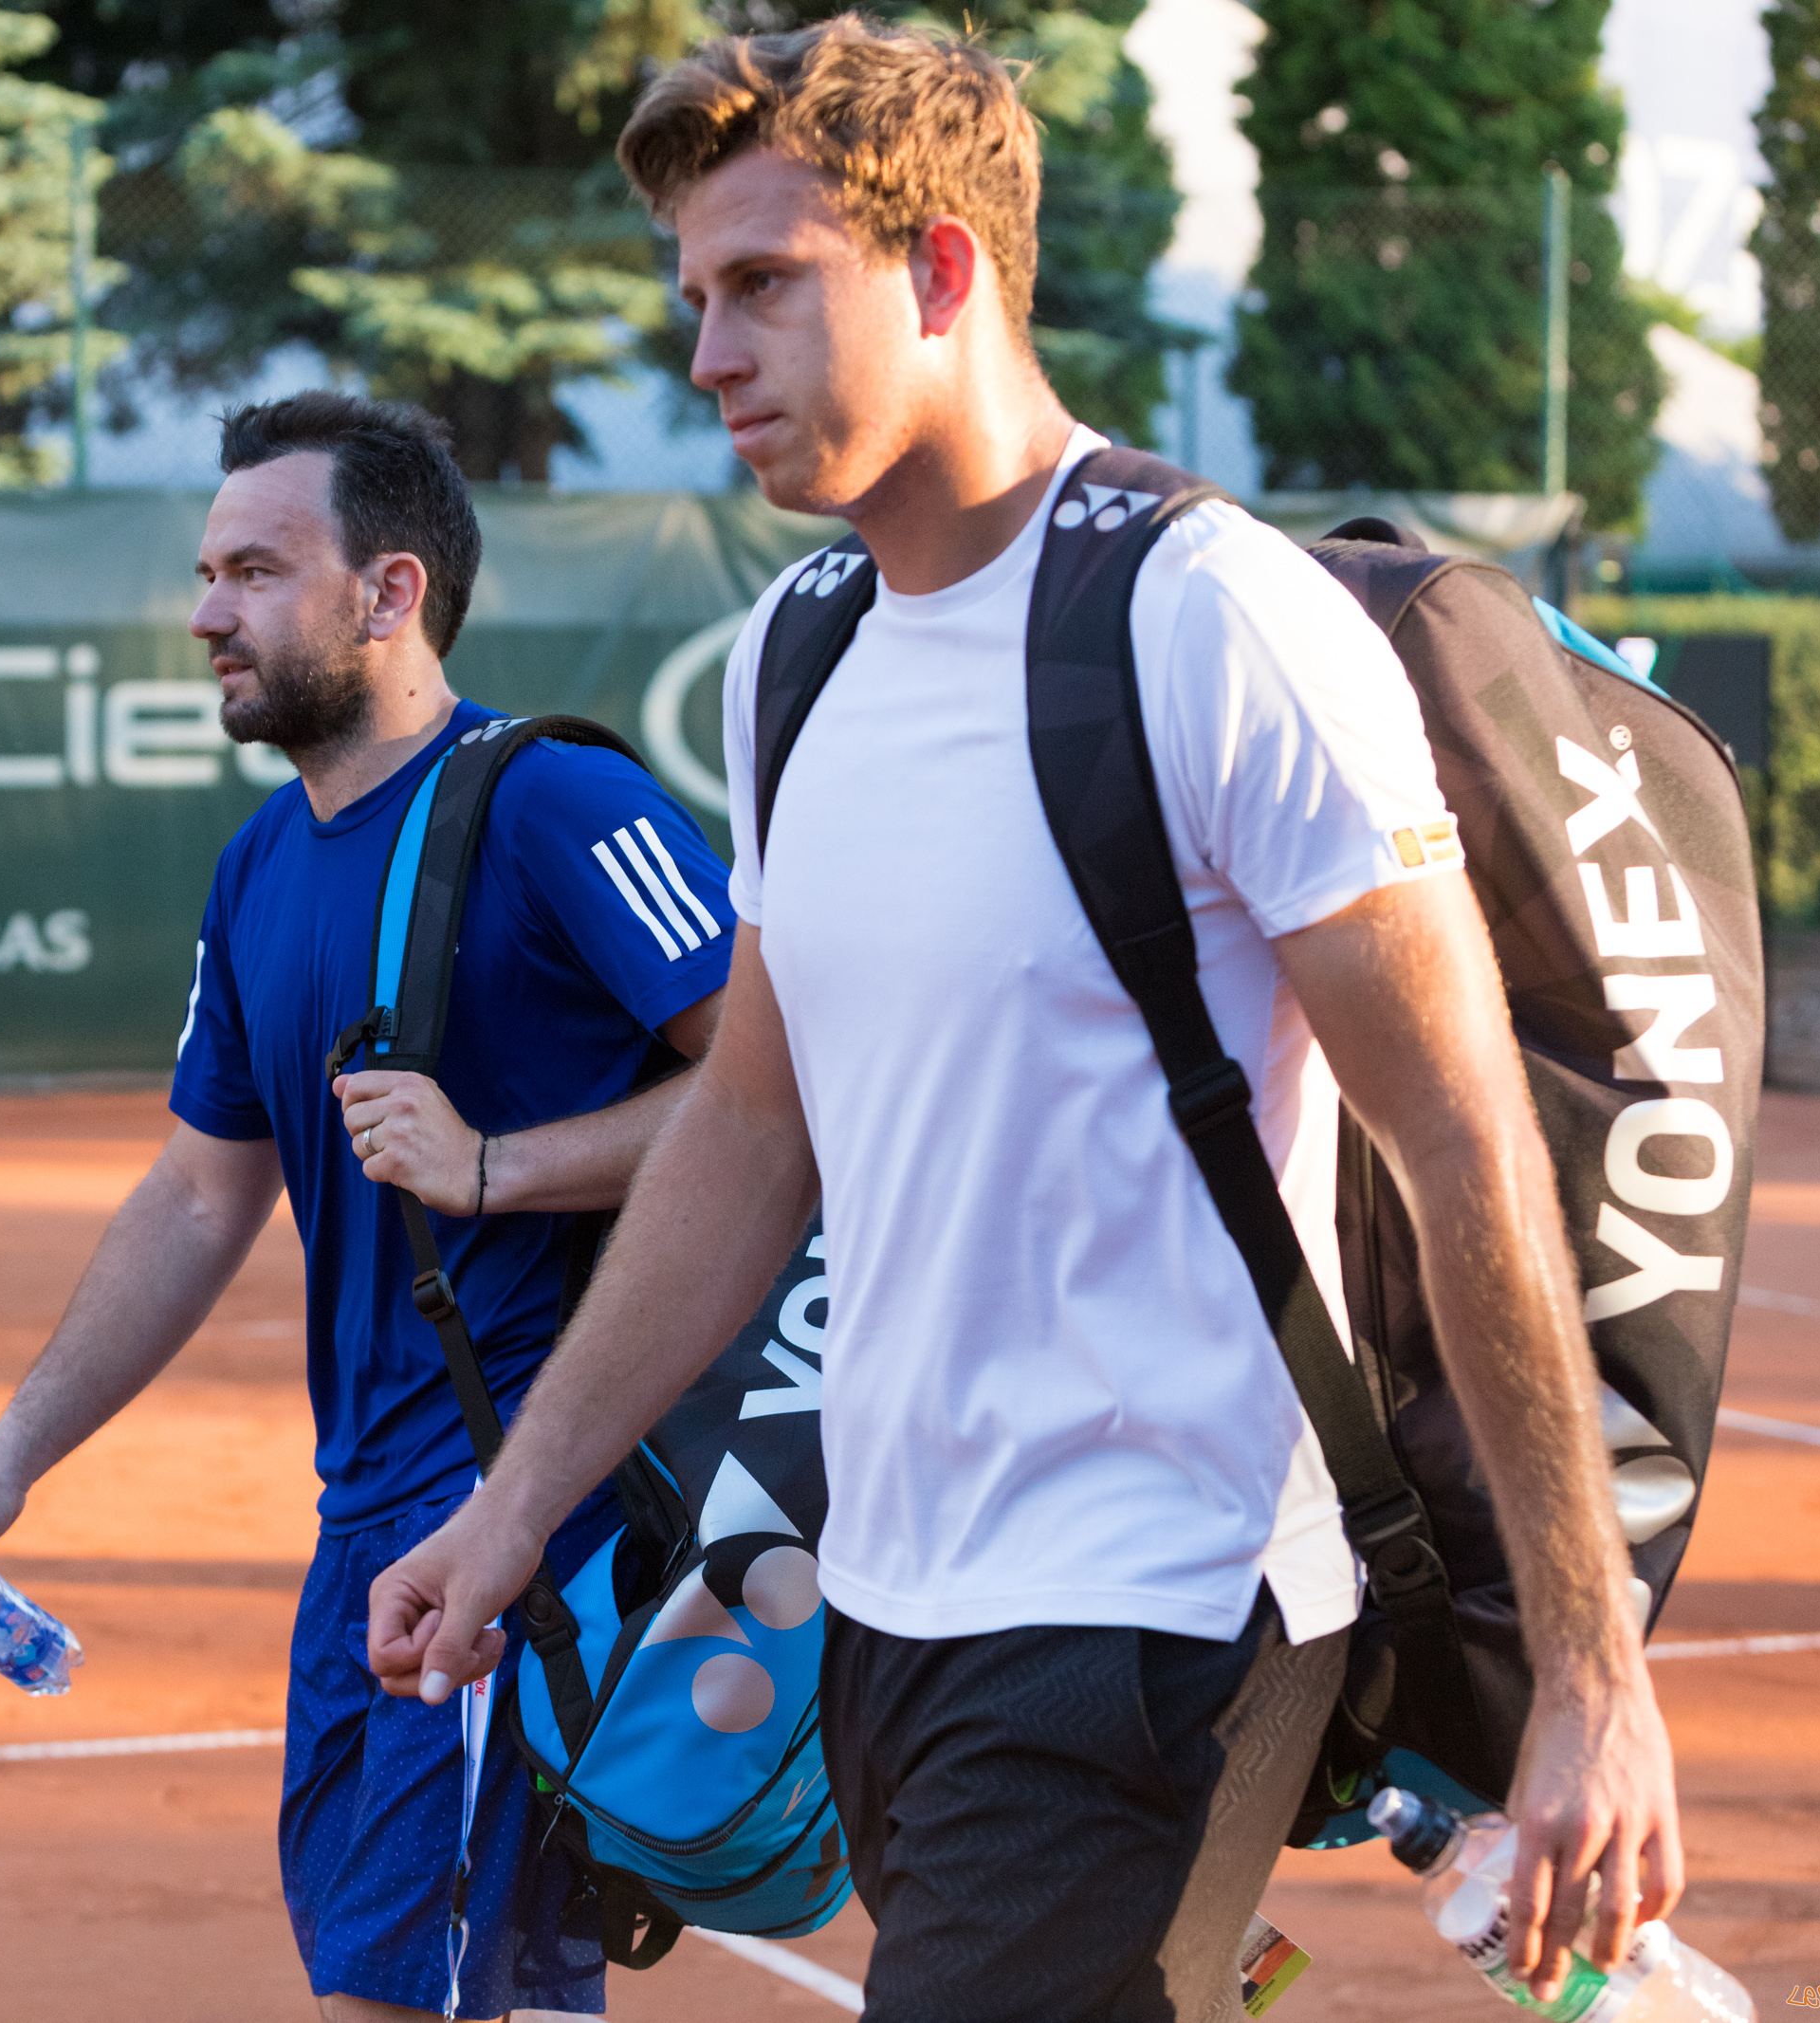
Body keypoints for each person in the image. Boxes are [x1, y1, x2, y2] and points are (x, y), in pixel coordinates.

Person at [364, 20, 1685, 2023]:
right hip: (885, 1599)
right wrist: (516, 1498)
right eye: (692, 296)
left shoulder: (1209, 620)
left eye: (760, 287)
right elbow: (747, 1130)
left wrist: (1595, 1672)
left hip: (1160, 1602)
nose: (704, 353)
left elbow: (1462, 1141)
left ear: (945, 270)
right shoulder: (798, 652)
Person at [0, 391, 736, 2023]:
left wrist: (500, 1165)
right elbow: (198, 1202)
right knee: (469, 1998)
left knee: (393, 2003)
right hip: (364, 1542)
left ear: (390, 593)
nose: (207, 612)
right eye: (207, 572)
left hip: (525, 1524)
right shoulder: (261, 867)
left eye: (256, 570)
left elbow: (787, 1090)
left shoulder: (553, 804)